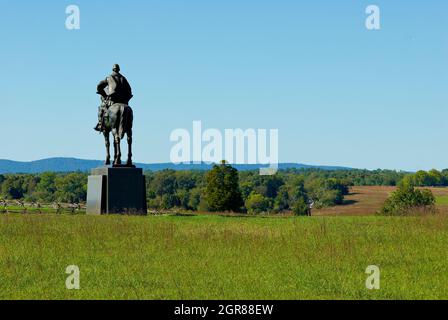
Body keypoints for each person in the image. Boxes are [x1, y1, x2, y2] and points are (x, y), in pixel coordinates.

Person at [94, 64, 133, 132]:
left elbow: (99, 86)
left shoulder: (109, 77)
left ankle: (100, 124)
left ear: (113, 69)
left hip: (112, 100)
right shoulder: (123, 78)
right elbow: (129, 90)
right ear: (119, 69)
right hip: (123, 101)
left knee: (101, 107)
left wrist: (104, 94)